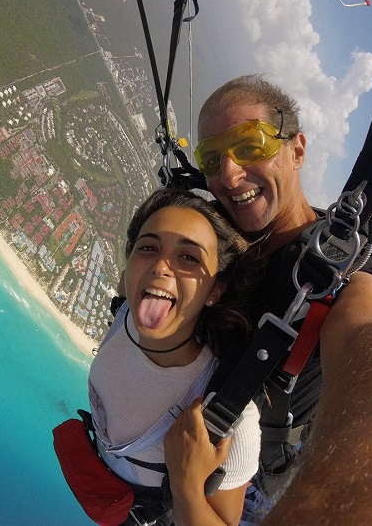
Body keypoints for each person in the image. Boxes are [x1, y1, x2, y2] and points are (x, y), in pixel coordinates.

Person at [168, 74, 372, 524]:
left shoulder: (345, 261)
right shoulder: (217, 241)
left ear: (298, 150)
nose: (229, 175)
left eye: (250, 147)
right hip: (180, 448)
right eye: (211, 160)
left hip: (248, 488)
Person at [88, 188, 261, 525]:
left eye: (189, 258)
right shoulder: (125, 311)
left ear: (215, 291)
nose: (160, 266)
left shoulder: (229, 420)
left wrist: (186, 487)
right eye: (148, 248)